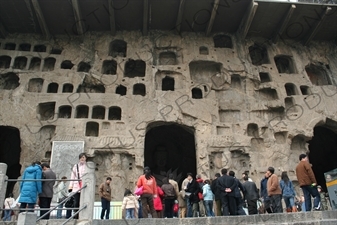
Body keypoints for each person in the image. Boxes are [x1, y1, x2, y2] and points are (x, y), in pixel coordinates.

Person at [68, 153, 87, 219]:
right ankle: (76, 215)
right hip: (76, 186)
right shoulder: (75, 166)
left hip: (84, 186)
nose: (82, 159)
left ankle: (83, 216)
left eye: (83, 157)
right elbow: (72, 176)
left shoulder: (87, 166)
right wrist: (70, 186)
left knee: (84, 202)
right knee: (76, 202)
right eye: (81, 157)